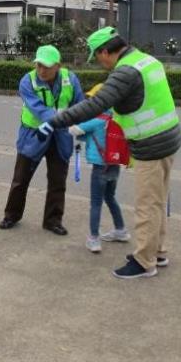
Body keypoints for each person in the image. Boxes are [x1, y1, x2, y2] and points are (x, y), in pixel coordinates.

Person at [42, 27, 181, 279]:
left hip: (151, 146)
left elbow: (95, 105)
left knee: (146, 205)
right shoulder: (145, 60)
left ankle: (144, 262)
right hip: (169, 138)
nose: (99, 62)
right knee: (157, 201)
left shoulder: (125, 73)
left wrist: (54, 121)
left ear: (105, 51)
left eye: (97, 56)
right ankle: (158, 252)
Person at [0, 45, 84, 236]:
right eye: (38, 65)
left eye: (46, 66)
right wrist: (62, 118)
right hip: (33, 135)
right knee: (20, 179)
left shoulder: (70, 79)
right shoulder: (27, 81)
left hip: (61, 137)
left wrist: (82, 125)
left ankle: (53, 221)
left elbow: (79, 105)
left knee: (57, 182)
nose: (41, 70)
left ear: (58, 66)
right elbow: (38, 108)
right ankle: (11, 215)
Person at [68, 83, 130, 254]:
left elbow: (73, 130)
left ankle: (94, 239)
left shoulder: (96, 120)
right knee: (110, 198)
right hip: (114, 166)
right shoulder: (117, 119)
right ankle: (121, 230)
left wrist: (74, 118)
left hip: (99, 168)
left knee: (96, 203)